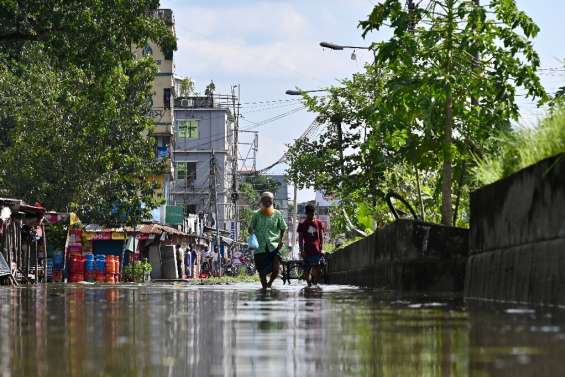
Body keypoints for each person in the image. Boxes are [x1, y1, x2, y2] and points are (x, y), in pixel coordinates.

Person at [248, 191, 288, 290]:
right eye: (265, 201)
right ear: (261, 201)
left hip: (274, 246)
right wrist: (251, 231)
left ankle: (270, 283)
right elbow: (250, 228)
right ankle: (264, 289)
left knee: (276, 269)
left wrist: (281, 241)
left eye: (269, 201)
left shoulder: (277, 214)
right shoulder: (256, 214)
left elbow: (283, 228)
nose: (267, 203)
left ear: (272, 201)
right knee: (261, 272)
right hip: (260, 247)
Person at [297, 204, 324, 287]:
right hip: (307, 251)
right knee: (307, 269)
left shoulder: (318, 223)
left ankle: (314, 284)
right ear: (306, 213)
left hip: (317, 250)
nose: (311, 215)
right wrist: (301, 251)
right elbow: (300, 239)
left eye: (312, 214)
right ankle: (308, 285)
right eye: (309, 214)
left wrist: (321, 248)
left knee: (319, 270)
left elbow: (321, 236)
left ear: (314, 213)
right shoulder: (302, 224)